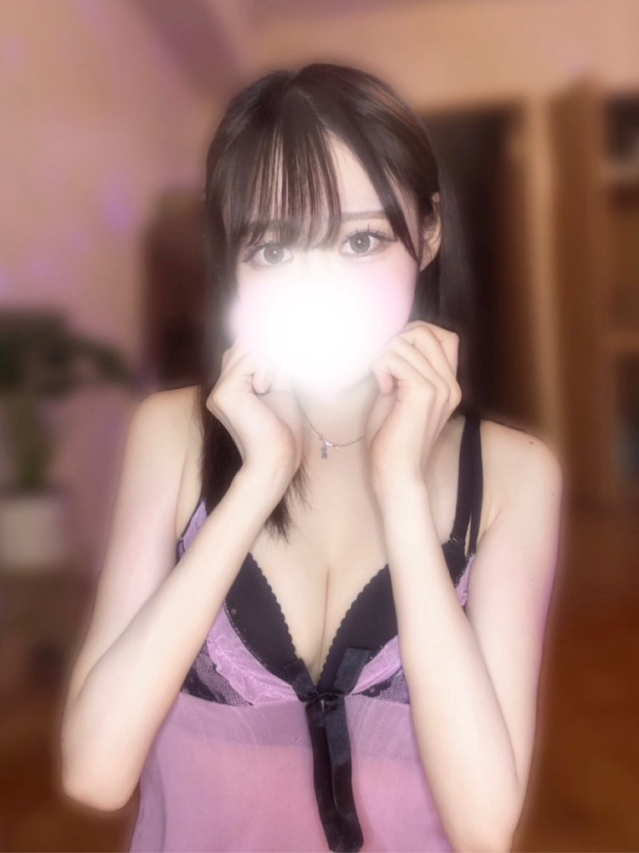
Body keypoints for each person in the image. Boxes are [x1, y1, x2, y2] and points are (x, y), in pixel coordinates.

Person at [60, 63, 564, 853]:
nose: (320, 285)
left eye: (360, 240)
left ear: (428, 231)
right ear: (231, 257)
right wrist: (255, 481)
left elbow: (483, 825)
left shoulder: (511, 474)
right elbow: (96, 771)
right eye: (274, 248)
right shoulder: (174, 435)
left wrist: (401, 489)